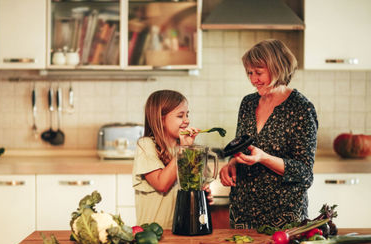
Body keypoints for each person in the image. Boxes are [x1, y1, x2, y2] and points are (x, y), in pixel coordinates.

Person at [219, 39, 318, 229]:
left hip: (282, 216)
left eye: (258, 72)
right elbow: (242, 147)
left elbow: (305, 174)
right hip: (243, 212)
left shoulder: (301, 109)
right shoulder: (248, 103)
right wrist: (232, 163)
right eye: (249, 73)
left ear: (278, 67)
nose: (253, 79)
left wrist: (264, 158)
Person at [132, 89, 212, 229]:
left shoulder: (189, 149)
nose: (187, 121)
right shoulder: (146, 145)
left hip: (183, 231)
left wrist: (204, 193)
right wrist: (183, 150)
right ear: (161, 119)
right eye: (180, 116)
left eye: (187, 114)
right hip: (154, 232)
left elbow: (200, 184)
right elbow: (161, 184)